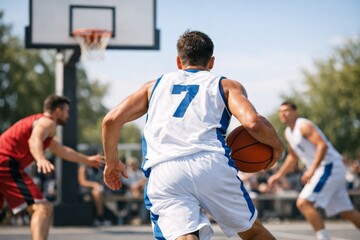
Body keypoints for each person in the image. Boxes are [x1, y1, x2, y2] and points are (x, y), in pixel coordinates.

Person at [102, 30, 283, 240]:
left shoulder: (154, 86)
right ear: (212, 62)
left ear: (179, 62)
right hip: (211, 164)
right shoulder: (225, 85)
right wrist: (277, 147)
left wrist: (112, 162)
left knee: (185, 237)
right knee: (253, 233)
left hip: (165, 170)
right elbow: (254, 122)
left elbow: (111, 120)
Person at [0, 95, 103, 240]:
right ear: (58, 111)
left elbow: (63, 151)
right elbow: (34, 140)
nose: (68, 116)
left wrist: (87, 160)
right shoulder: (47, 122)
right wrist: (41, 158)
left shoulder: (42, 126)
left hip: (4, 162)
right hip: (5, 163)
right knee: (42, 208)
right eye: (67, 112)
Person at [268, 101, 360, 240]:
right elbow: (293, 157)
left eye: (287, 110)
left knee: (303, 203)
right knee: (346, 211)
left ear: (295, 112)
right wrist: (278, 175)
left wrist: (312, 170)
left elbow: (322, 146)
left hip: (329, 166)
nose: (283, 114)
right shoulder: (288, 133)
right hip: (326, 169)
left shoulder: (304, 126)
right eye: (281, 111)